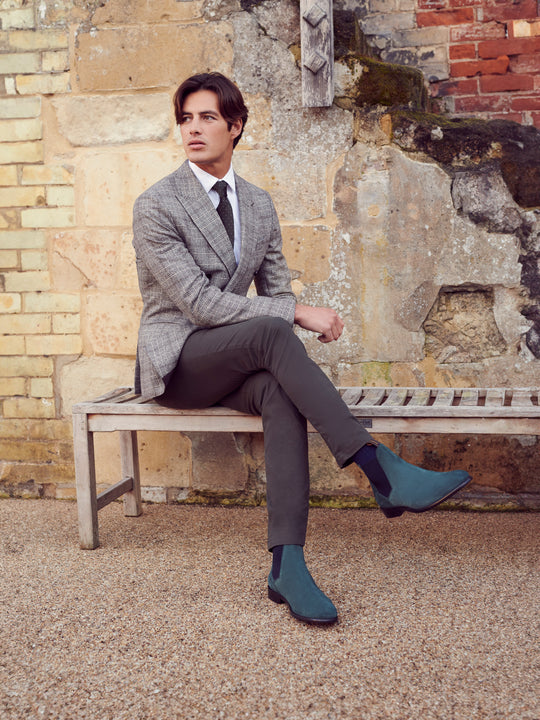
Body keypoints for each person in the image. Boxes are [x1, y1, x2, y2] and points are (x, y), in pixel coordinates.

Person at [132, 72, 471, 626]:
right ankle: (380, 470)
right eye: (186, 118)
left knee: (278, 389)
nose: (193, 128)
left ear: (235, 126)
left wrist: (288, 309)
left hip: (234, 359)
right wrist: (297, 313)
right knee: (274, 330)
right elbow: (200, 304)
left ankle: (286, 565)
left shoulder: (258, 204)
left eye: (208, 117)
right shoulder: (156, 205)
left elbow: (276, 289)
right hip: (179, 362)